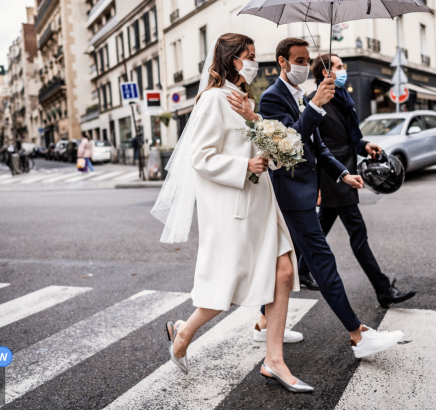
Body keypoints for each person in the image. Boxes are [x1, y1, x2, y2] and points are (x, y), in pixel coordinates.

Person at [151, 33, 313, 393]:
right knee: (229, 281)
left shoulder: (242, 98)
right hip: (235, 205)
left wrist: (261, 135)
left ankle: (273, 361)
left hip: (261, 202)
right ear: (231, 59)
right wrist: (246, 165)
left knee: (284, 272)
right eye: (248, 56)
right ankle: (183, 332)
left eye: (254, 55)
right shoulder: (212, 99)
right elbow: (201, 157)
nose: (253, 62)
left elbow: (254, 143)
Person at [230, 37, 404, 359]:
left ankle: (263, 325)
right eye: (299, 60)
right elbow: (290, 145)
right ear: (282, 62)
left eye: (307, 60)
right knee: (322, 261)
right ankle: (358, 336)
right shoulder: (272, 98)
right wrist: (314, 106)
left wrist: (342, 174)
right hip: (291, 193)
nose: (304, 65)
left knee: (283, 264)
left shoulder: (300, 96)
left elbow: (318, 147)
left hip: (306, 190)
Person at [308, 53, 417, 308]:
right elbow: (317, 145)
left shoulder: (343, 97)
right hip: (335, 176)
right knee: (358, 233)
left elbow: (348, 139)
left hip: (345, 170)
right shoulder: (315, 101)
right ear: (325, 73)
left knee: (319, 229)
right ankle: (383, 289)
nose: (343, 70)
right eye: (337, 66)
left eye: (343, 66)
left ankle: (301, 268)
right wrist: (322, 182)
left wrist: (365, 146)